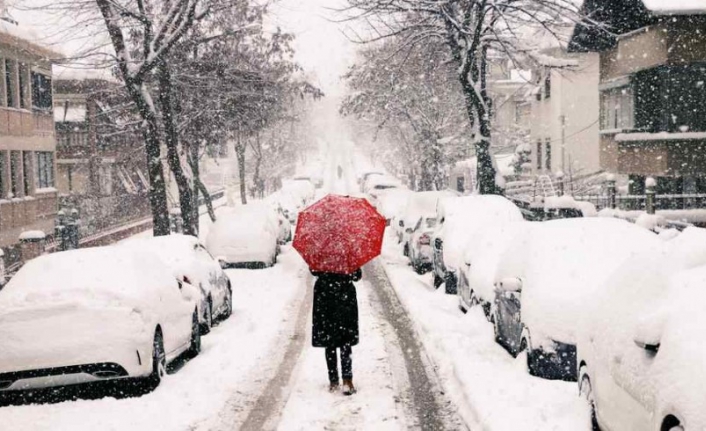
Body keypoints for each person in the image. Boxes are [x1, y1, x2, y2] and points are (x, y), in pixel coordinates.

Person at [311, 268, 362, 395]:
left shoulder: (321, 252)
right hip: (344, 299)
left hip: (325, 298)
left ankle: (333, 380)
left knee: (330, 341)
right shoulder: (348, 253)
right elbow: (357, 276)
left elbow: (314, 270)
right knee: (345, 340)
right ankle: (347, 380)